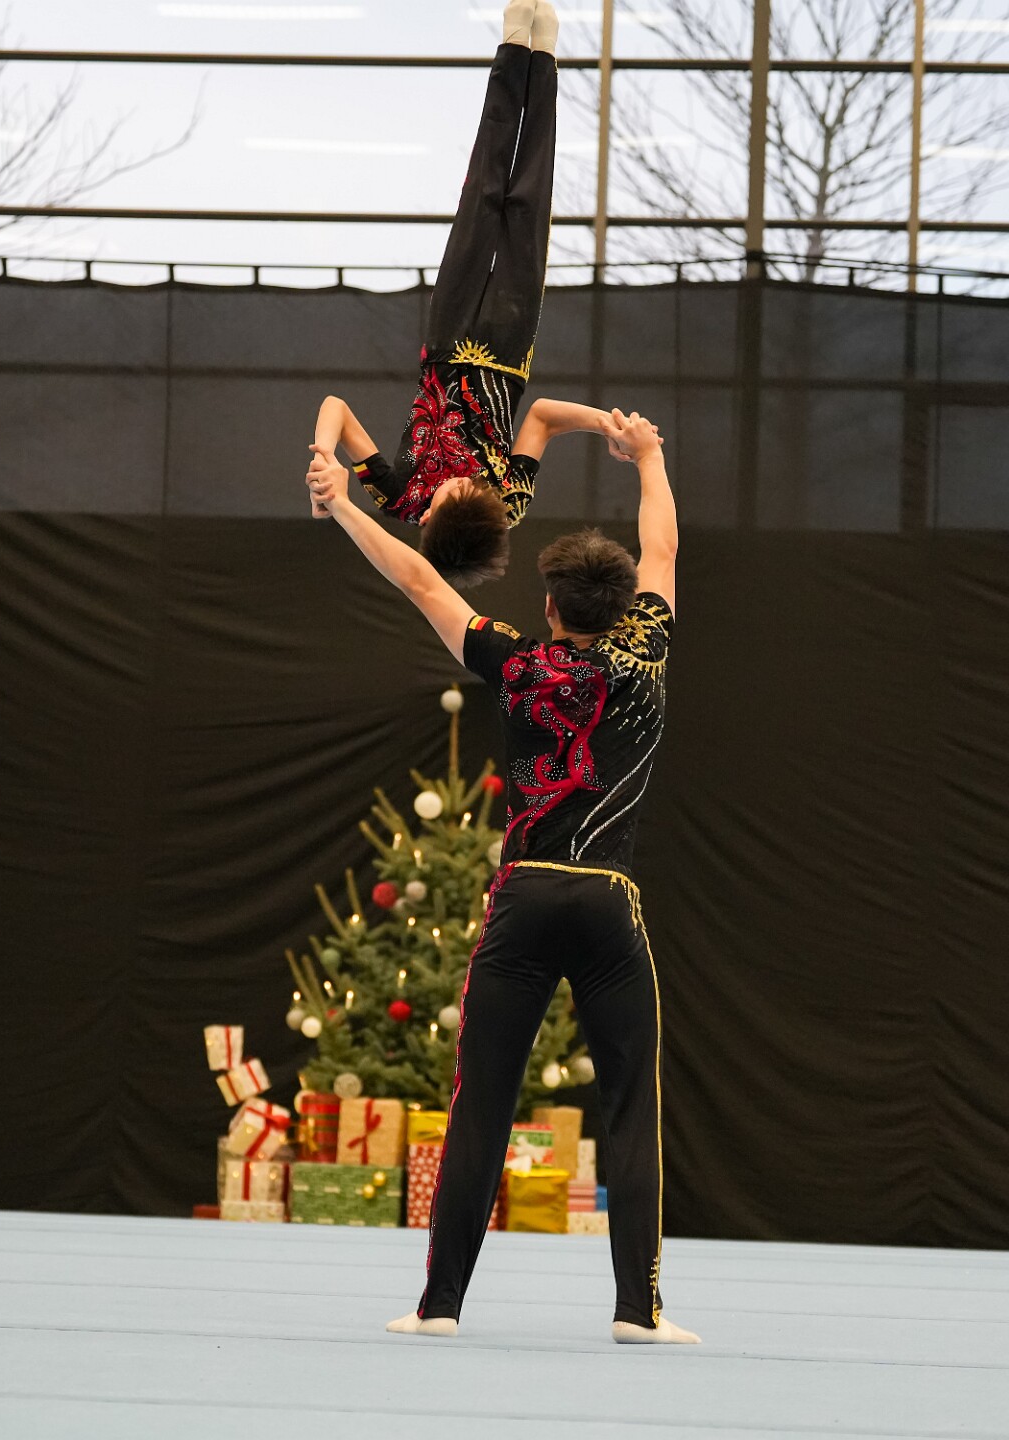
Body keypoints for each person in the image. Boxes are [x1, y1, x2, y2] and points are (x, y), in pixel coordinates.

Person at [304, 408, 699, 1346]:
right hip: (607, 903)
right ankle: (638, 1310)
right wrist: (649, 456)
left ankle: (439, 1306)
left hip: (522, 900)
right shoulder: (645, 653)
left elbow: (418, 577)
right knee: (630, 1107)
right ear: (623, 606)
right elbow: (664, 545)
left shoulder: (516, 662)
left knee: (480, 1104)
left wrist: (344, 506)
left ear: (552, 607)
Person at [308, 0, 637, 589]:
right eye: (470, 492)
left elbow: (337, 406)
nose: (460, 483)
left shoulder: (398, 495)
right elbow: (541, 418)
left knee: (483, 195)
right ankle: (545, 57)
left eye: (447, 496)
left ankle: (513, 47)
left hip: (446, 336)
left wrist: (326, 458)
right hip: (507, 349)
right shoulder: (507, 504)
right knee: (528, 203)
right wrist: (605, 425)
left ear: (427, 518)